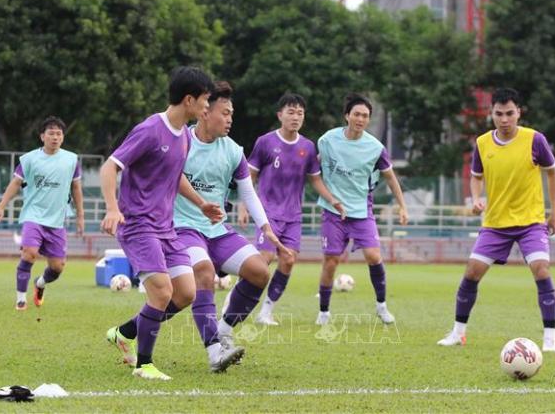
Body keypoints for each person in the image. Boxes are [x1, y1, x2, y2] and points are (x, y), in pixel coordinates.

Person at [101, 66, 223, 381]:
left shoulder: (183, 135)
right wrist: (113, 209)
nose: (207, 107)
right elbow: (109, 167)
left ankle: (124, 332)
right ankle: (144, 365)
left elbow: (175, 174)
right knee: (161, 291)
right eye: (205, 100)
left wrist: (201, 204)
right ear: (188, 99)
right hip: (139, 225)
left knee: (185, 293)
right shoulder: (150, 129)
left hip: (165, 228)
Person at [173, 81, 292, 371]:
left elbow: (247, 191)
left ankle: (223, 331)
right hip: (182, 227)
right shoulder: (181, 143)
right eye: (224, 113)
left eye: (231, 114)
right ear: (205, 113)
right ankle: (214, 353)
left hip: (217, 230)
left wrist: (265, 227)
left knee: (259, 272)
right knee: (203, 273)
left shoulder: (234, 150)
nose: (229, 119)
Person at [437, 88, 555, 352]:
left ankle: (550, 339)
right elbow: (476, 176)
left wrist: (554, 212)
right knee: (472, 272)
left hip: (530, 222)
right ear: (491, 113)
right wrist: (476, 198)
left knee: (541, 269)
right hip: (495, 224)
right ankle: (458, 333)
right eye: (498, 114)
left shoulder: (535, 140)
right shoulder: (482, 143)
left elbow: (552, 172)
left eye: (510, 113)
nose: (504, 120)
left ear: (519, 113)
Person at [237, 93, 345, 326]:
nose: (295, 117)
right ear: (280, 115)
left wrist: (333, 199)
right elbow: (249, 176)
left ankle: (266, 311)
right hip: (267, 213)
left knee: (287, 260)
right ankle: (234, 301)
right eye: (291, 112)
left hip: (293, 216)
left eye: (300, 113)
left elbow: (315, 180)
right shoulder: (265, 142)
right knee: (263, 259)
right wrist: (243, 206)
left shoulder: (307, 146)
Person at [315, 93, 408, 326]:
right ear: (347, 116)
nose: (360, 119)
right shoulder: (327, 140)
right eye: (356, 114)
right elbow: (315, 167)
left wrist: (402, 206)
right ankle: (324, 311)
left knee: (374, 256)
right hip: (332, 211)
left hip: (361, 211)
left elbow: (390, 177)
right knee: (331, 261)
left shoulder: (375, 148)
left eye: (365, 116)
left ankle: (381, 307)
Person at [0, 116, 84, 311]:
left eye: (59, 134)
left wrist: (80, 217)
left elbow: (76, 188)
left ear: (63, 137)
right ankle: (20, 299)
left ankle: (40, 283)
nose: (55, 137)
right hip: (33, 216)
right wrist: (1, 207)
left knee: (57, 268)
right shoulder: (29, 159)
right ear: (42, 136)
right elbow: (15, 183)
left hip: (57, 220)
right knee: (29, 253)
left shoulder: (71, 160)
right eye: (51, 133)